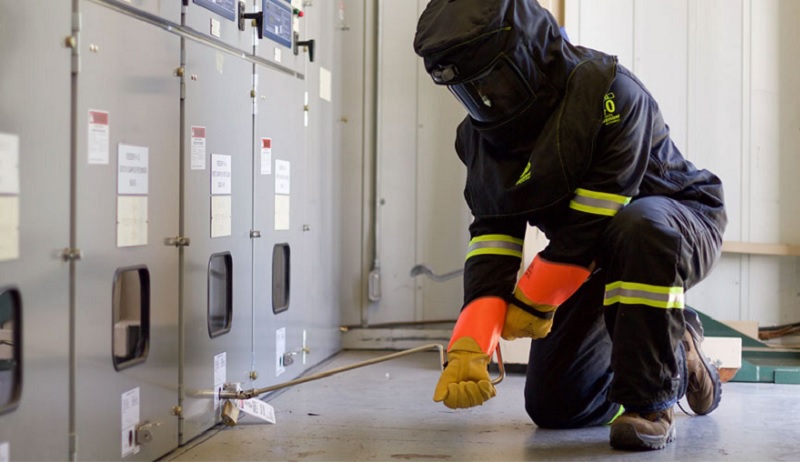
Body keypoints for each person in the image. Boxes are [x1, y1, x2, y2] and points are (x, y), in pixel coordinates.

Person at [413, 0, 726, 451]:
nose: (485, 97)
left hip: (677, 223)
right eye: (468, 88)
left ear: (527, 54)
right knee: (556, 408)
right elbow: (493, 233)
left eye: (490, 79)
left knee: (638, 226)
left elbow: (600, 215)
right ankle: (681, 350)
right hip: (588, 255)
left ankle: (650, 402)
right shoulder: (480, 136)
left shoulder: (610, 93)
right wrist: (472, 337)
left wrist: (536, 300)